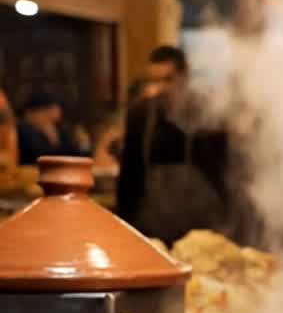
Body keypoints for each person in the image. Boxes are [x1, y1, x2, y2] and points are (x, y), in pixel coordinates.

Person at [117, 46, 231, 245]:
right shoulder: (140, 115)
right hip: (153, 227)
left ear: (184, 78)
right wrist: (124, 226)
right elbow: (130, 174)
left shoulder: (208, 114)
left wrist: (228, 222)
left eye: (167, 80)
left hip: (202, 228)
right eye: (154, 80)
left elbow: (224, 173)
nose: (160, 88)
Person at [17, 92, 90, 164]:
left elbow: (73, 154)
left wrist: (84, 145)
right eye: (52, 109)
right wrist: (53, 141)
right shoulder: (24, 130)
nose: (59, 112)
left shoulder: (59, 129)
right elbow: (39, 157)